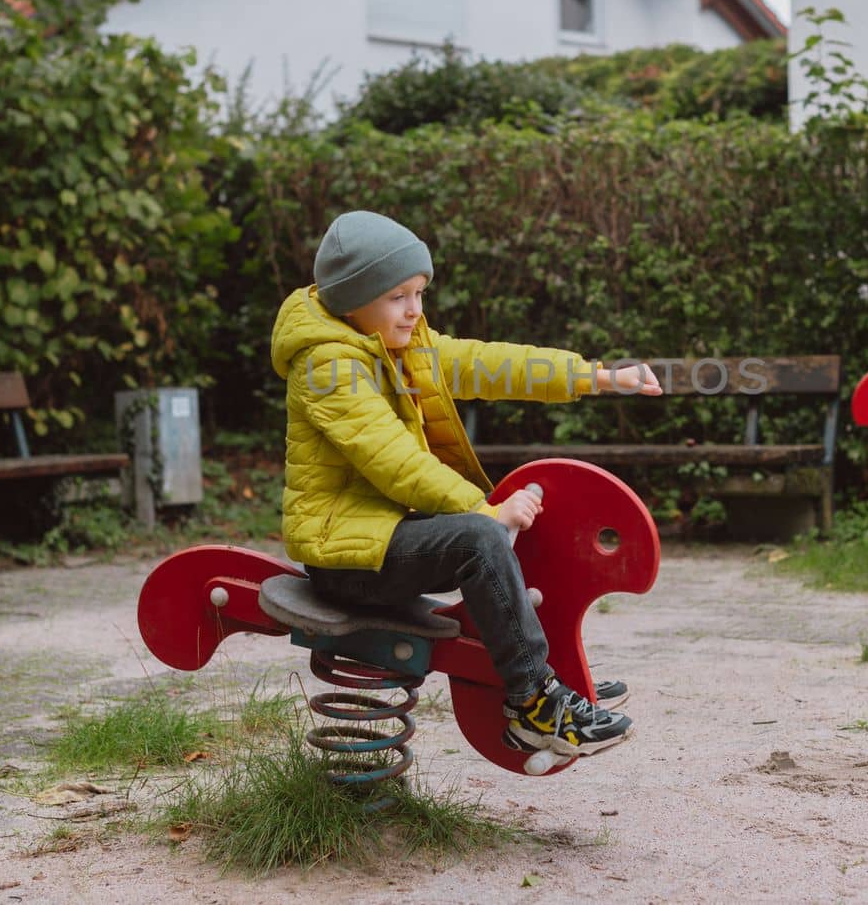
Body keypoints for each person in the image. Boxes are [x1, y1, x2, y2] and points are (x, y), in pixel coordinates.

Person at [270, 210, 661, 757]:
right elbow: (393, 460)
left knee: (510, 519)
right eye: (397, 297)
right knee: (481, 536)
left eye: (420, 292)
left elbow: (487, 363)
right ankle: (534, 705)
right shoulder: (326, 367)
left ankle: (555, 669)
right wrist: (482, 508)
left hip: (385, 534)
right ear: (352, 301)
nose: (414, 310)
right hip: (348, 559)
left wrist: (594, 376)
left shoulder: (398, 344)